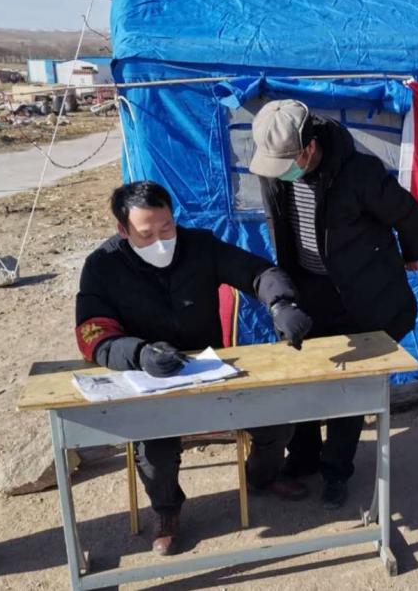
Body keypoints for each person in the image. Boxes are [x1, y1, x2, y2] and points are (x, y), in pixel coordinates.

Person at [75, 181, 313, 556]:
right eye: (146, 234)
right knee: (154, 454)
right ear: (123, 229)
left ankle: (261, 477)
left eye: (167, 227)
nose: (160, 241)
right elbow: (94, 333)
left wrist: (282, 304)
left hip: (209, 371)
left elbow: (258, 272)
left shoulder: (199, 246)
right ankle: (167, 511)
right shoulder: (102, 266)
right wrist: (138, 353)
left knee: (277, 421)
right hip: (148, 378)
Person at [249, 99, 418, 509]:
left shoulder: (360, 173)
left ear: (309, 147)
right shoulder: (274, 170)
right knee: (305, 377)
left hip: (357, 294)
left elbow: (408, 214)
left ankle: (336, 471)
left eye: (287, 162)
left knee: (349, 384)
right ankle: (304, 457)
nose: (279, 171)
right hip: (307, 289)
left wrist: (412, 253)